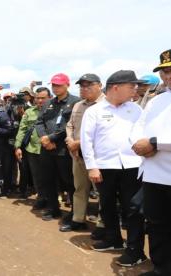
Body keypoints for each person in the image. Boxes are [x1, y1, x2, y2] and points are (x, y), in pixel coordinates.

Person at [81, 70, 146, 266]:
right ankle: (113, 239)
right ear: (116, 87)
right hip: (104, 167)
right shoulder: (94, 111)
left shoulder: (136, 110)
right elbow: (86, 141)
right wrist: (92, 167)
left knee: (133, 209)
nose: (136, 89)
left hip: (133, 166)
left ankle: (135, 251)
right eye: (131, 86)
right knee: (107, 205)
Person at [132, 49, 171, 276]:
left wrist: (155, 143)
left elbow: (153, 139)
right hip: (154, 174)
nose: (168, 76)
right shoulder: (156, 100)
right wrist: (138, 143)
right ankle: (161, 269)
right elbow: (138, 126)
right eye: (164, 72)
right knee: (156, 225)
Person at [60, 74, 105, 232]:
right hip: (77, 155)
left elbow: (103, 132)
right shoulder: (78, 105)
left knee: (102, 192)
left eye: (89, 85)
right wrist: (70, 140)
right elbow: (70, 125)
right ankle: (78, 219)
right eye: (82, 86)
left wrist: (78, 143)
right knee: (80, 188)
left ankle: (102, 224)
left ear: (100, 85)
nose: (84, 89)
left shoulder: (107, 105)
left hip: (98, 156)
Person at [35, 73, 80, 221]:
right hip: (46, 148)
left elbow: (69, 125)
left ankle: (75, 212)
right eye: (53, 85)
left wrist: (51, 138)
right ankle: (53, 209)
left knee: (69, 181)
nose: (56, 88)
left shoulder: (75, 102)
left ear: (67, 84)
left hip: (64, 149)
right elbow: (39, 122)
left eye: (59, 85)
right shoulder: (48, 103)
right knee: (48, 180)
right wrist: (44, 138)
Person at [14, 87, 52, 202]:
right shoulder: (29, 112)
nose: (40, 101)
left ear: (50, 98)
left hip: (50, 149)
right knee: (36, 176)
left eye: (43, 98)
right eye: (38, 98)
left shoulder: (54, 111)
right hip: (32, 149)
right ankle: (41, 198)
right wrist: (18, 147)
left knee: (51, 176)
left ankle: (52, 200)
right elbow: (22, 129)